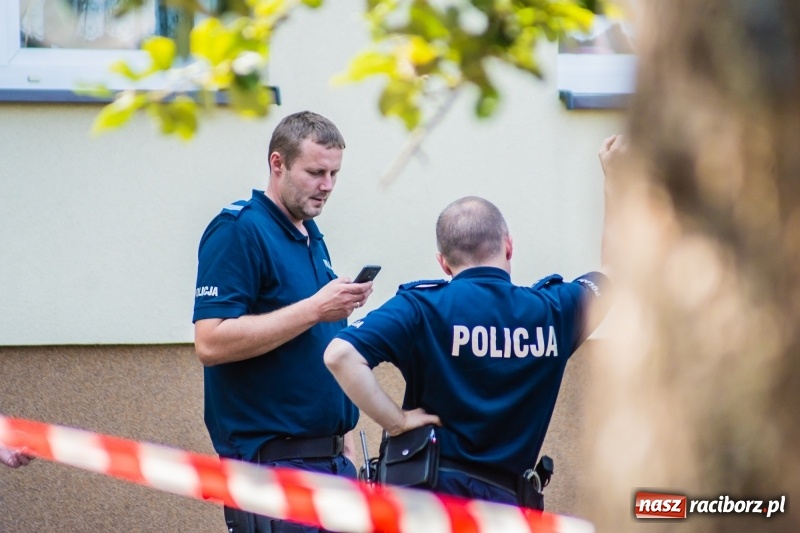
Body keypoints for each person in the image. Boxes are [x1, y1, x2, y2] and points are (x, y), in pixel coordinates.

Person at [324, 171, 616, 508]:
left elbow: (340, 355)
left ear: (443, 263)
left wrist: (397, 421)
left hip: (429, 504)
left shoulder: (420, 307)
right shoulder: (556, 310)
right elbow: (615, 271)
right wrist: (614, 181)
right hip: (508, 508)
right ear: (509, 245)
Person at [193, 111, 374, 533]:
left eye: (334, 173)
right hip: (276, 471)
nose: (327, 185)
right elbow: (210, 342)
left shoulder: (311, 236)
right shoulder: (239, 230)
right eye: (315, 172)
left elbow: (317, 347)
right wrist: (315, 309)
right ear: (278, 164)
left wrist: (344, 446)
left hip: (332, 466)